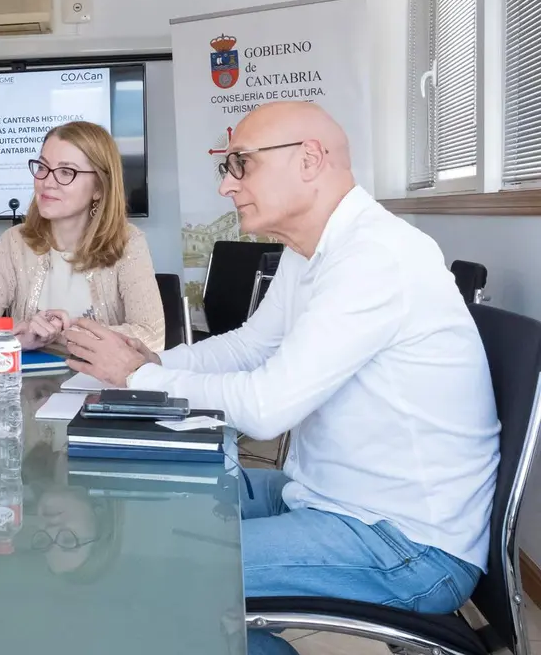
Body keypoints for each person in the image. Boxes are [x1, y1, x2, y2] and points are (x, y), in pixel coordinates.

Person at [64, 102, 499, 654]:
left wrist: (140, 375)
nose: (226, 185)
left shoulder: (378, 257)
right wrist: (146, 363)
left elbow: (268, 407)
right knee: (150, 503)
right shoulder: (311, 250)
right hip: (327, 499)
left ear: (310, 159)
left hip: (403, 543)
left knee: (169, 573)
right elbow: (249, 347)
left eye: (240, 163)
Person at [0, 120, 165, 356]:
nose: (46, 182)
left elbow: (152, 337)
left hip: (103, 388)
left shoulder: (128, 242)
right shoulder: (14, 242)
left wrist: (64, 334)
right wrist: (15, 339)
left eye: (66, 172)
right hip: (29, 390)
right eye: (42, 167)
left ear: (99, 188)